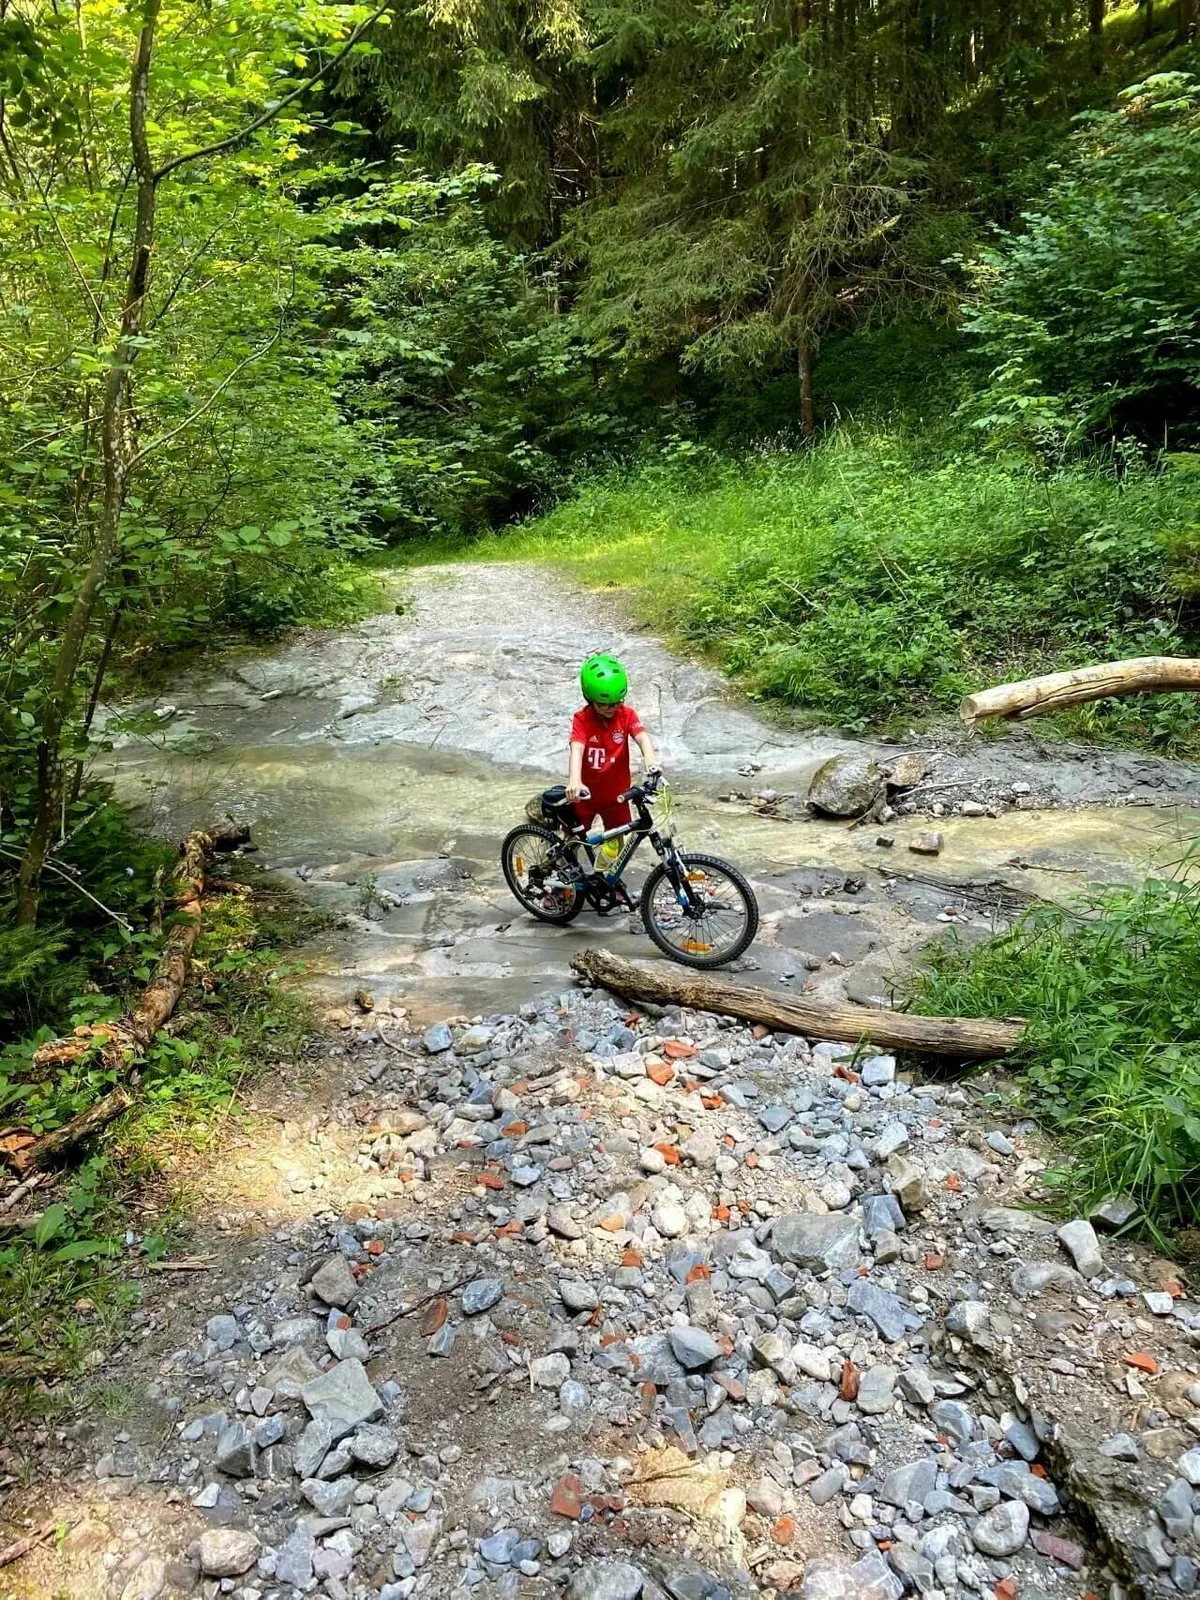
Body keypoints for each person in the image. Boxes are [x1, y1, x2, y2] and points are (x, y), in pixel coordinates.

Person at [565, 654, 658, 835]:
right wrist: (575, 780)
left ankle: (607, 865)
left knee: (616, 839)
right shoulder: (582, 719)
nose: (612, 708)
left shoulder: (627, 715)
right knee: (573, 838)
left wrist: (651, 762)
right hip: (586, 794)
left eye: (617, 703)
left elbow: (642, 738)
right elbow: (577, 748)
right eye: (604, 705)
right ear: (589, 699)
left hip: (618, 796)